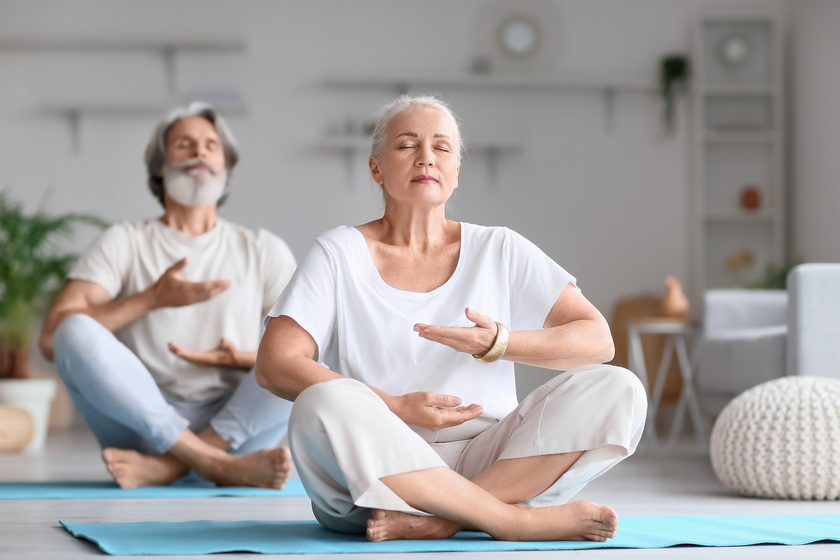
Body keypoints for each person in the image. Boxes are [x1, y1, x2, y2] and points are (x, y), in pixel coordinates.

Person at [255, 95, 647, 542]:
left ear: (456, 172)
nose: (426, 157)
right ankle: (510, 520)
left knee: (620, 387)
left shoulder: (499, 247)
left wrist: (499, 344)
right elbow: (275, 363)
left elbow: (597, 340)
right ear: (376, 168)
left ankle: (444, 520)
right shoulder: (339, 251)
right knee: (322, 400)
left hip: (491, 459)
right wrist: (395, 406)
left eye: (442, 148)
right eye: (407, 145)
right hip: (379, 468)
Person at [39, 102, 297, 490]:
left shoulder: (263, 249)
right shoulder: (124, 242)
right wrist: (151, 299)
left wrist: (239, 358)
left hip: (235, 428)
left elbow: (306, 349)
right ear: (159, 166)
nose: (199, 152)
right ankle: (212, 464)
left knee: (320, 350)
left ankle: (173, 466)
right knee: (73, 329)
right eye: (185, 144)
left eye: (212, 145)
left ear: (225, 168)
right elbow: (51, 338)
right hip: (139, 421)